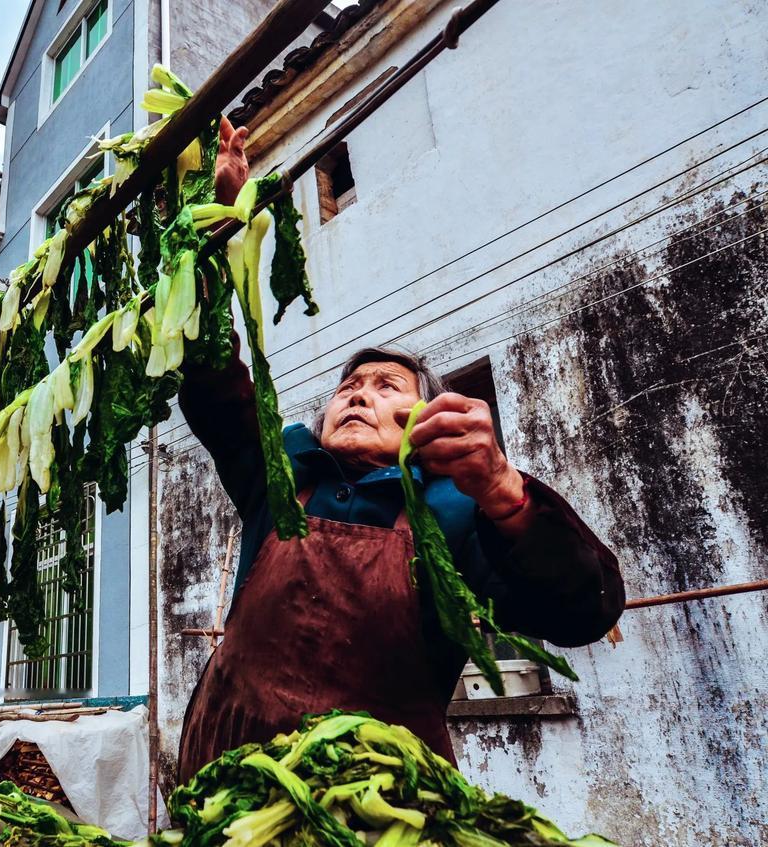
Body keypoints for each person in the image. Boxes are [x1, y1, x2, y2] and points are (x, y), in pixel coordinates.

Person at [174, 119, 626, 781]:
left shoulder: (457, 514)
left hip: (378, 812)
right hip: (222, 794)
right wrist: (216, 221)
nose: (357, 395)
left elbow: (585, 609)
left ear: (426, 420)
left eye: (386, 386)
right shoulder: (277, 479)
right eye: (348, 386)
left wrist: (507, 495)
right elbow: (210, 374)